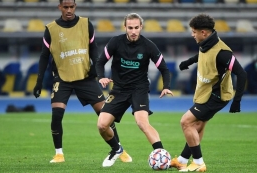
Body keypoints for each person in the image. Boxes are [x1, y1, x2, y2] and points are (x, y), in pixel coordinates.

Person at [33, 0, 131, 163]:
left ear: (75, 6)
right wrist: (39, 80)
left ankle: (119, 149)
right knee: (56, 115)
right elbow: (44, 56)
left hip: (85, 76)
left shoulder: (86, 24)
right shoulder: (51, 29)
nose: (69, 10)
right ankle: (59, 154)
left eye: (72, 7)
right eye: (66, 7)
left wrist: (98, 72)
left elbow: (94, 48)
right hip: (62, 77)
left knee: (104, 115)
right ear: (60, 7)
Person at [170, 14, 247, 172]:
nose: (192, 34)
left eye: (194, 31)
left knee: (186, 122)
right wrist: (188, 62)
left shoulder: (223, 52)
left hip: (216, 96)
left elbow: (242, 73)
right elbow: (203, 55)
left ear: (203, 32)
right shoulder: (205, 44)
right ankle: (182, 160)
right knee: (197, 125)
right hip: (205, 93)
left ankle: (199, 163)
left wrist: (237, 101)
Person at [95, 12, 173, 167]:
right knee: (102, 125)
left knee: (142, 123)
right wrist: (101, 77)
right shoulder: (115, 42)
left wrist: (166, 87)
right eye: (130, 27)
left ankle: (162, 156)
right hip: (119, 89)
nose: (133, 31)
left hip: (139, 89)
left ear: (141, 27)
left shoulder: (148, 45)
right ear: (125, 27)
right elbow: (100, 62)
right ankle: (116, 149)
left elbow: (164, 68)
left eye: (136, 27)